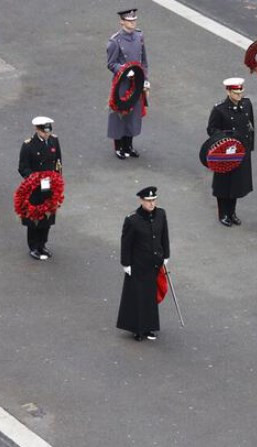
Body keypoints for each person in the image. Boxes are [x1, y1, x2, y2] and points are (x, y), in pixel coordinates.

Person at [117, 187, 170, 341]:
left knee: (150, 298)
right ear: (141, 201)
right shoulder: (132, 220)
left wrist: (166, 254)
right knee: (138, 298)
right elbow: (126, 244)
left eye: (153, 200)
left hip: (154, 263)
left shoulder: (161, 214)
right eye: (148, 201)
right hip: (138, 265)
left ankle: (149, 328)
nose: (152, 203)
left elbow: (164, 235)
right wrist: (126, 263)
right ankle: (137, 330)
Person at [206, 78, 255, 226]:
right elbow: (211, 129)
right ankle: (223, 214)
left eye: (241, 92)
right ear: (228, 91)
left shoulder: (246, 104)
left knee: (237, 184)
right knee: (224, 185)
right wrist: (225, 141)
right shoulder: (219, 109)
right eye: (236, 93)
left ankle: (232, 212)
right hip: (226, 153)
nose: (239, 95)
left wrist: (249, 147)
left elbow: (250, 126)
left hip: (241, 152)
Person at [18, 116, 63, 261]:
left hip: (50, 187)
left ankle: (42, 244)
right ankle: (33, 247)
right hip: (35, 189)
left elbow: (58, 162)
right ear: (37, 130)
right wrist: (34, 179)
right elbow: (23, 168)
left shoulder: (54, 141)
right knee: (34, 218)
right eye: (44, 132)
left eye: (48, 132)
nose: (47, 134)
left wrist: (57, 181)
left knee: (47, 217)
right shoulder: (28, 146)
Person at [107, 8, 149, 160]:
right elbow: (111, 64)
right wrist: (124, 70)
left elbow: (143, 60)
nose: (133, 23)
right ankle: (119, 147)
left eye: (134, 20)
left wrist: (146, 79)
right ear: (122, 22)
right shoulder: (115, 41)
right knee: (120, 114)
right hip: (122, 83)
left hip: (137, 82)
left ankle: (128, 146)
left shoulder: (139, 36)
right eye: (129, 21)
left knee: (134, 115)